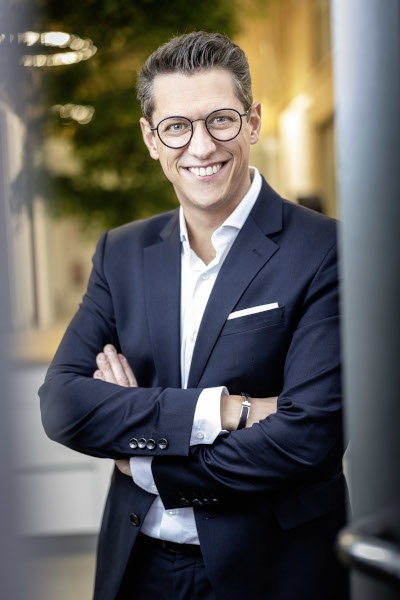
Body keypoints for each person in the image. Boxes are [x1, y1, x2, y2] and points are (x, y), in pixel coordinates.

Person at [39, 31, 348, 600]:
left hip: (272, 571)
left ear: (252, 122)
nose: (201, 147)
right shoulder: (122, 252)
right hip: (137, 567)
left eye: (221, 120)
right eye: (176, 127)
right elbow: (62, 405)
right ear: (151, 139)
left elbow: (309, 437)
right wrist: (227, 410)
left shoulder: (325, 248)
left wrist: (145, 459)